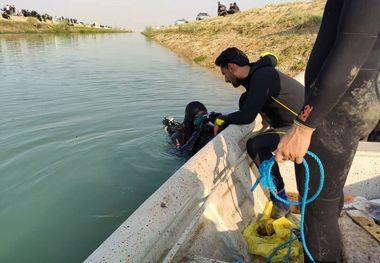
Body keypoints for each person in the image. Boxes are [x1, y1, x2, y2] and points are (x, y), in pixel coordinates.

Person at [275, 0, 380, 262]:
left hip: (335, 111)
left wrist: (303, 127)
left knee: (317, 208)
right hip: (355, 104)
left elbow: (347, 60)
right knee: (329, 197)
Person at [214, 47, 305, 218]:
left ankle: (280, 199)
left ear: (233, 67)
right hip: (290, 123)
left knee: (255, 144)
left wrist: (222, 119)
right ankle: (280, 196)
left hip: (301, 128)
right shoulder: (257, 72)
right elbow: (271, 58)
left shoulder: (261, 77)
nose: (225, 79)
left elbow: (247, 116)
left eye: (225, 73)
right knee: (245, 99)